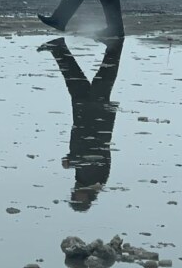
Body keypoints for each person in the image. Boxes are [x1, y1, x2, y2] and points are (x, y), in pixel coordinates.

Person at [39, 37, 124, 211]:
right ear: (87, 199)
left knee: (75, 82)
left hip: (84, 122)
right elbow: (97, 158)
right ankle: (115, 45)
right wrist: (73, 162)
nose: (75, 196)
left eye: (74, 199)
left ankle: (58, 48)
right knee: (104, 78)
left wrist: (74, 161)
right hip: (96, 120)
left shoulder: (83, 180)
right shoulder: (96, 181)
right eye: (78, 200)